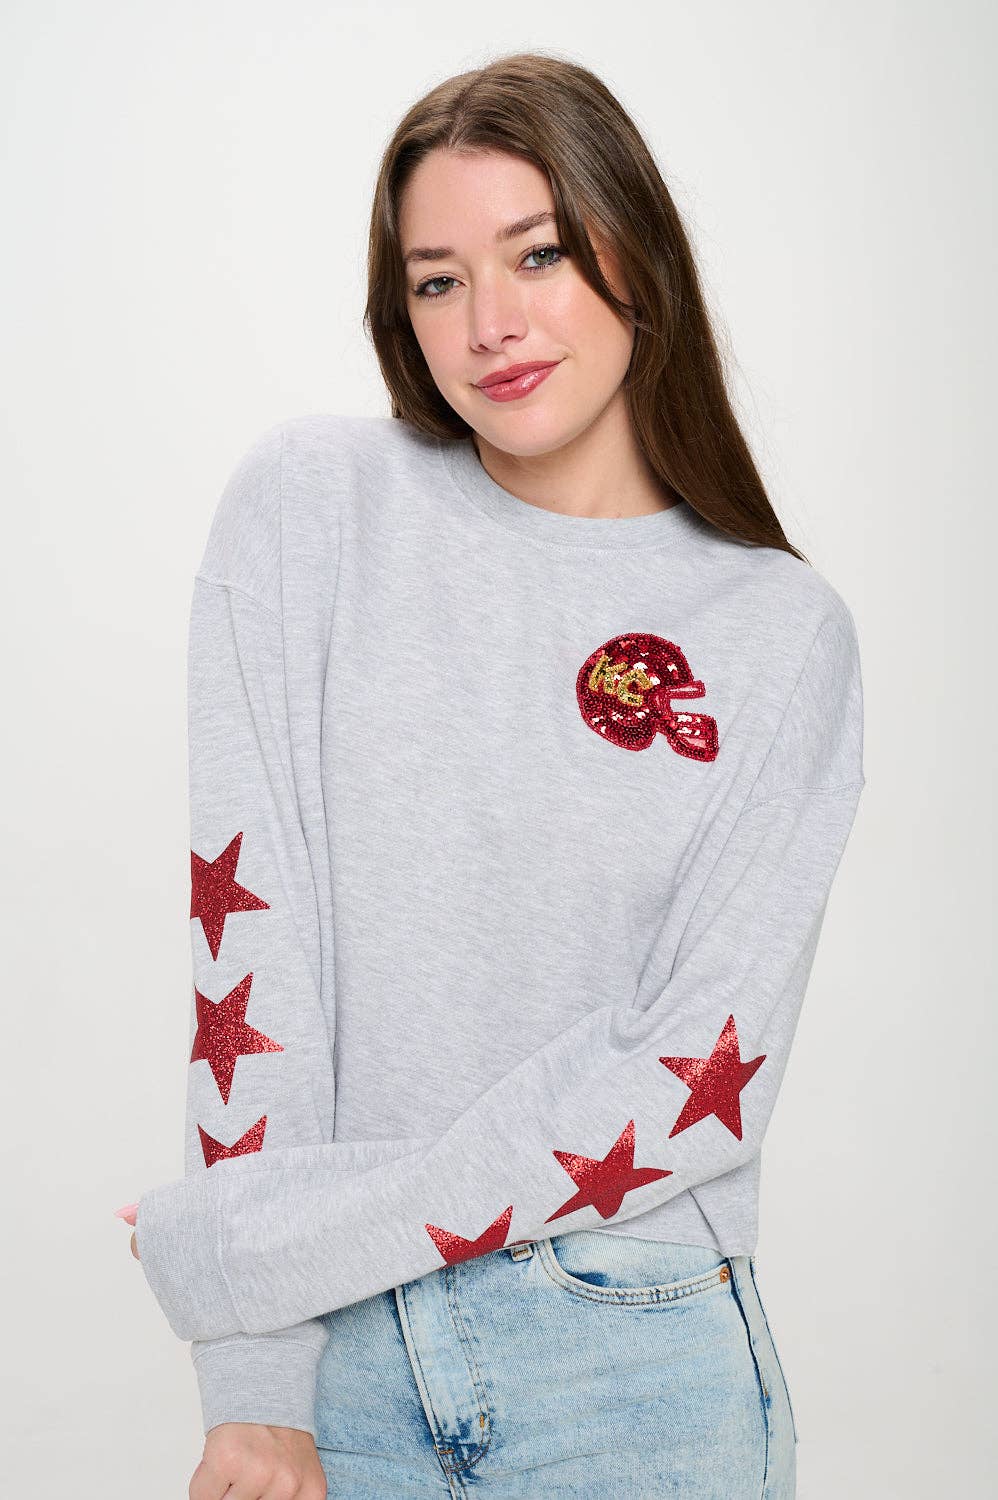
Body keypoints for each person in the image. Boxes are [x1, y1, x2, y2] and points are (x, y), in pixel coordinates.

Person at [119, 50, 865, 1500]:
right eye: (437, 280)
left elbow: (695, 1079)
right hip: (340, 1363)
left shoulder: (779, 633)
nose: (491, 325)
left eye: (538, 254)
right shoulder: (314, 511)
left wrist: (262, 1245)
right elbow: (254, 960)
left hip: (635, 1357)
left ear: (634, 251)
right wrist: (255, 1378)